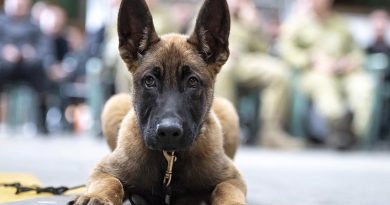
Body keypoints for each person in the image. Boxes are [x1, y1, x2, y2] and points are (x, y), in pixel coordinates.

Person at [280, 0, 374, 149]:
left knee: (363, 85)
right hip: (315, 72)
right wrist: (311, 59)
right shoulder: (299, 23)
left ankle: (355, 134)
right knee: (324, 85)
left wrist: (349, 61)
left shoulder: (341, 23)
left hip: (344, 72)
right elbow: (287, 51)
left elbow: (357, 51)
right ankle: (339, 126)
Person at [215, 0, 303, 149]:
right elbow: (197, 39)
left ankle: (271, 132)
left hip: (245, 61)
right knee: (226, 68)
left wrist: (254, 26)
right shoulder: (212, 8)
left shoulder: (249, 17)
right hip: (218, 60)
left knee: (279, 72)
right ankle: (224, 129)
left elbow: (263, 50)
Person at [0, 0, 51, 133]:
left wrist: (32, 53)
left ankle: (42, 122)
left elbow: (44, 48)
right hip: (5, 65)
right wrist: (4, 51)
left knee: (39, 69)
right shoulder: (1, 22)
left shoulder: (34, 25)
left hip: (29, 65)